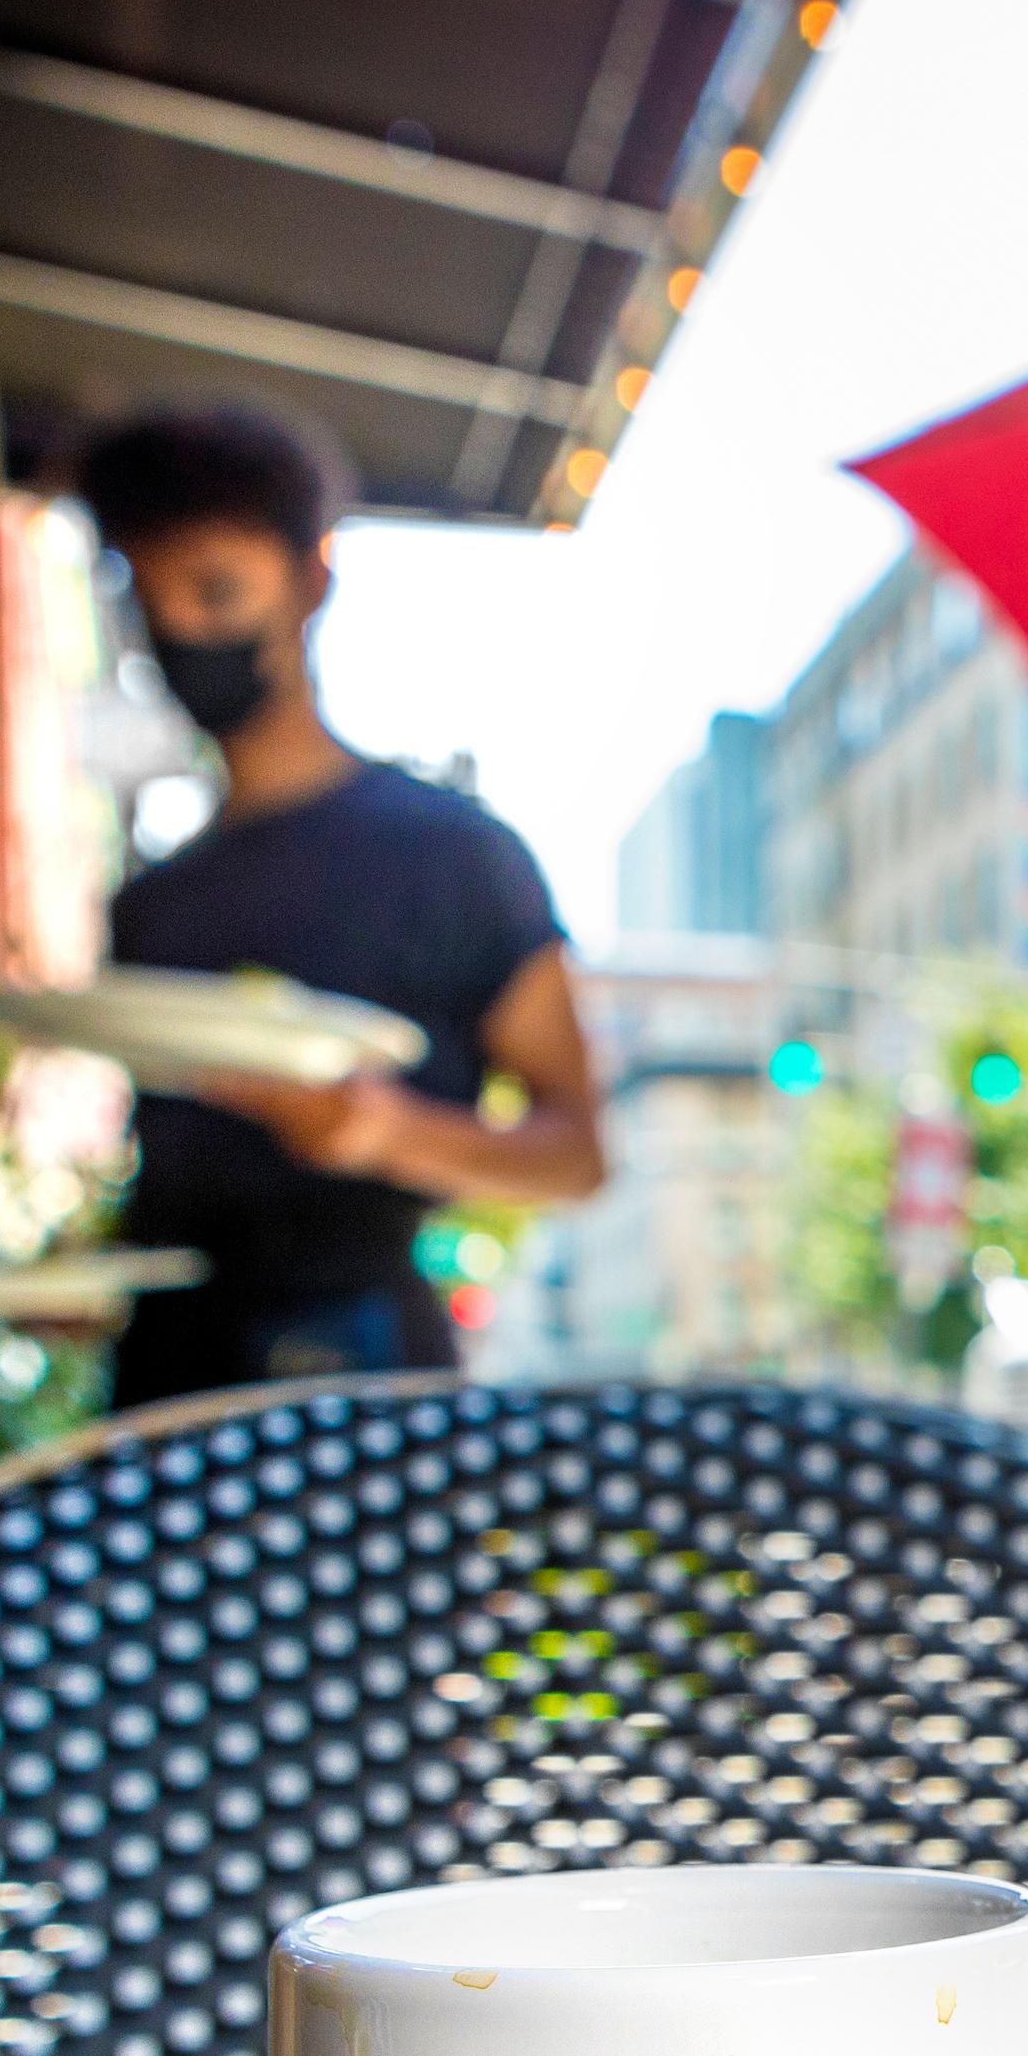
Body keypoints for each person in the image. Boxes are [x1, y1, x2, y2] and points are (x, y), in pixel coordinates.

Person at [72, 404, 606, 1408]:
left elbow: (577, 1151)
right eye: (151, 597)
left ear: (310, 580)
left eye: (216, 587)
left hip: (360, 1377)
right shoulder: (153, 905)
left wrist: (385, 1132)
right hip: (164, 1386)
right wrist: (84, 1273)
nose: (184, 628)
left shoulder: (455, 855)